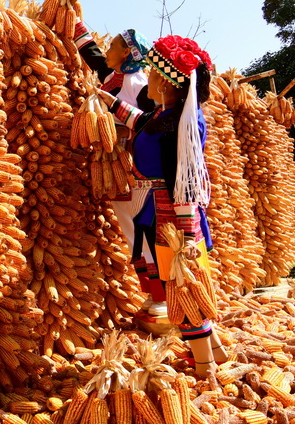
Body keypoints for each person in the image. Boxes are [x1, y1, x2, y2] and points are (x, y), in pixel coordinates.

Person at [95, 35, 228, 377]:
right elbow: (141, 123)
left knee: (183, 289)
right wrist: (107, 100)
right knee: (185, 288)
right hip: (158, 210)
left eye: (153, 73)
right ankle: (215, 352)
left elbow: (183, 181)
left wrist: (184, 236)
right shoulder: (167, 116)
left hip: (173, 217)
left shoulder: (182, 125)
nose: (147, 77)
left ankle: (205, 368)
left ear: (167, 83)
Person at [73, 20, 165, 329]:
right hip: (112, 167)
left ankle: (162, 298)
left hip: (134, 168)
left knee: (143, 230)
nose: (107, 50)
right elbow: (93, 54)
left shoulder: (138, 85)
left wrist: (116, 127)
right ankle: (152, 295)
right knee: (131, 234)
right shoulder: (113, 76)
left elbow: (152, 123)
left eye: (113, 46)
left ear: (127, 52)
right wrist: (71, 16)